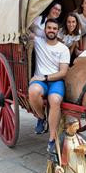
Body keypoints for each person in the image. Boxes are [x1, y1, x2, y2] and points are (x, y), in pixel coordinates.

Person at [28, 18, 70, 153]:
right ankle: (41, 117)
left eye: (54, 28)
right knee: (33, 91)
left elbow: (63, 72)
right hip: (40, 82)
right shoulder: (38, 42)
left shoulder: (63, 49)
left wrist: (44, 77)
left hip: (56, 81)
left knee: (55, 100)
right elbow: (25, 28)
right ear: (45, 30)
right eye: (49, 28)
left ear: (58, 32)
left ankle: (52, 139)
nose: (51, 30)